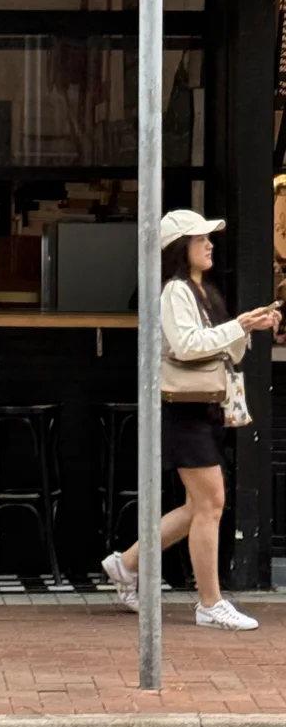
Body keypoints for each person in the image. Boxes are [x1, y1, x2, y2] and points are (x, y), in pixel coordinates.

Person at [102, 210, 280, 631]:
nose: (210, 244)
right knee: (211, 503)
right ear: (181, 248)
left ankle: (126, 565)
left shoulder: (202, 290)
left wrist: (246, 328)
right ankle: (209, 603)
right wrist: (238, 325)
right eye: (200, 238)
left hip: (203, 405)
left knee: (199, 505)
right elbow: (185, 345)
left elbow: (221, 350)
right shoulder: (175, 291)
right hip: (184, 408)